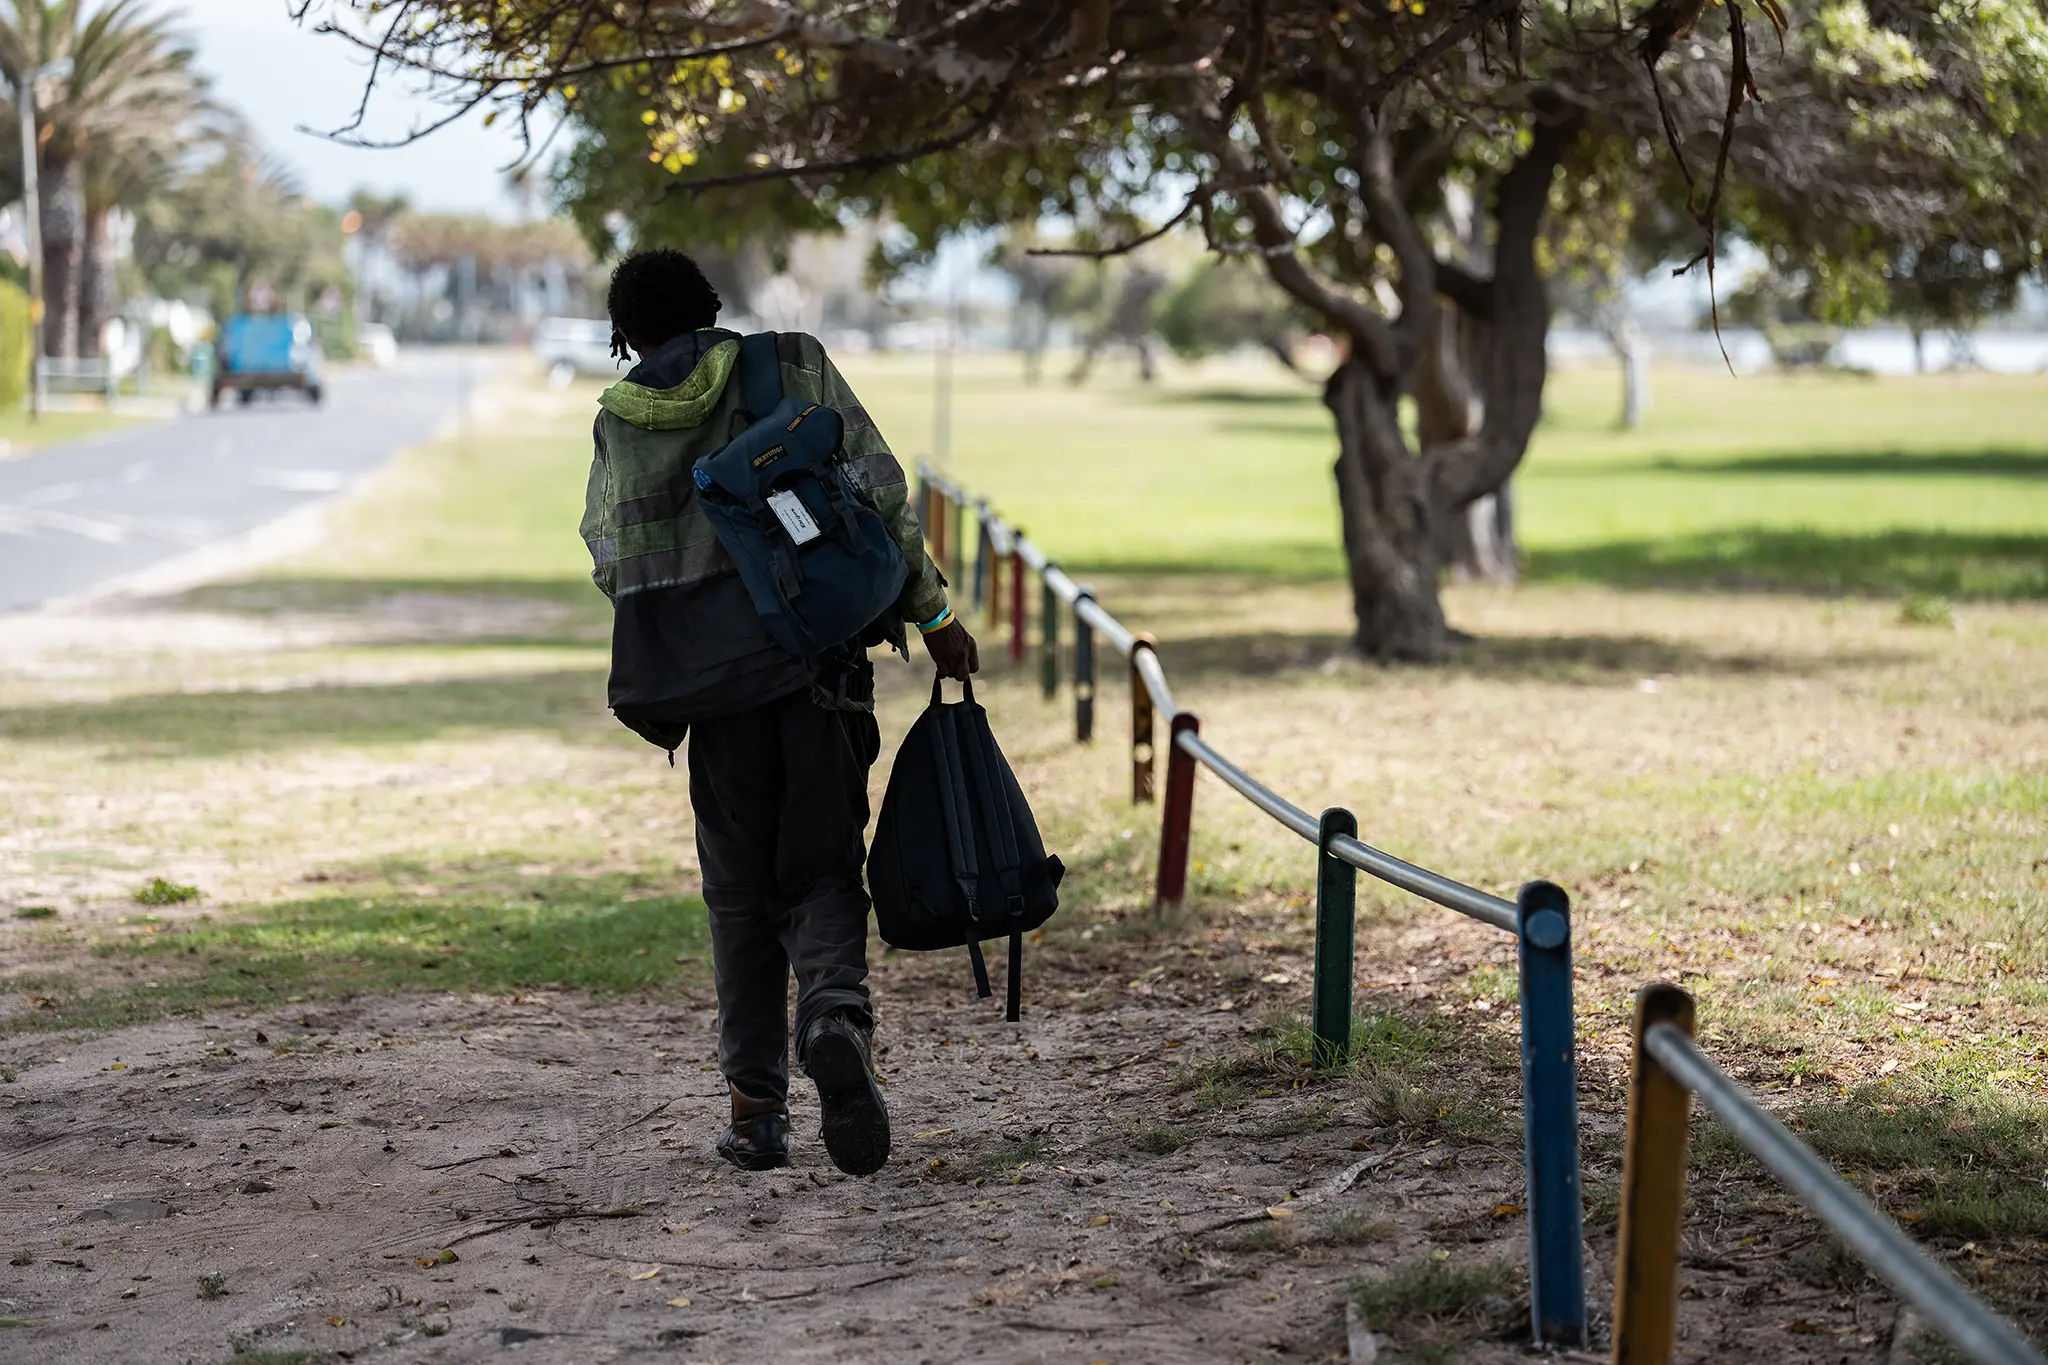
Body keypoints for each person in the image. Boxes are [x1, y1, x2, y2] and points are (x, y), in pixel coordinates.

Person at [579, 249, 978, 1177]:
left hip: (712, 702)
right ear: (713, 308)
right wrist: (936, 613)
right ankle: (834, 1014)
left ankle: (756, 1113)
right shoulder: (787, 361)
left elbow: (612, 558)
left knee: (737, 895)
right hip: (819, 672)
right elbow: (877, 490)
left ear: (625, 335)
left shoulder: (616, 422)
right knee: (823, 867)